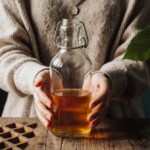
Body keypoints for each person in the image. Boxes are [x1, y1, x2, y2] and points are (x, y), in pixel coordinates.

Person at [0, 0, 150, 129]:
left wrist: (112, 78)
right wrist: (33, 77)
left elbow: (142, 55)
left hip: (121, 130)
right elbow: (5, 50)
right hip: (26, 128)